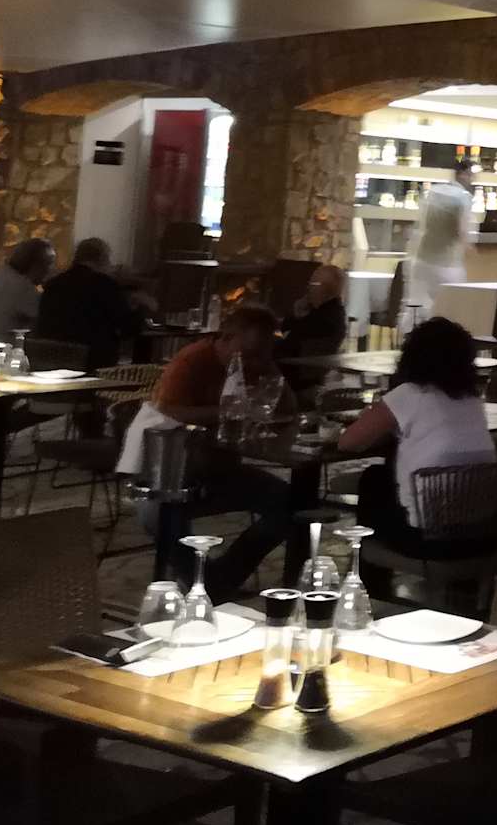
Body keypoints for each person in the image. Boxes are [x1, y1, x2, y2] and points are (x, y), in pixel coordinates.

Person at [116, 304, 298, 601]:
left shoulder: (258, 364)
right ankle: (203, 584)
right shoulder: (192, 360)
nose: (253, 362)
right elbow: (170, 409)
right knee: (158, 514)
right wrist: (230, 412)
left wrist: (270, 370)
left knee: (291, 503)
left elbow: (288, 408)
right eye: (248, 353)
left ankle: (220, 579)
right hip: (169, 468)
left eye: (263, 353)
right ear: (225, 338)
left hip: (219, 468)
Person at [337, 316, 494, 549]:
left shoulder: (409, 394)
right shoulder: (472, 400)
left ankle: (370, 566)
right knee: (383, 479)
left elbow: (348, 443)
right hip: (482, 537)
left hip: (427, 539)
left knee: (374, 479)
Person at [35, 237, 143, 371]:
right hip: (93, 361)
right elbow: (128, 328)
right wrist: (137, 306)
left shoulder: (53, 284)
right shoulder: (104, 284)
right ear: (102, 258)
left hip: (52, 358)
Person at [408, 161, 474, 315]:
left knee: (416, 307)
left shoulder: (434, 191)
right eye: (470, 175)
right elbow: (461, 230)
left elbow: (421, 222)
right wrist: (469, 247)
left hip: (422, 259)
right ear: (462, 174)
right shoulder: (463, 197)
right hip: (447, 264)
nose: (472, 179)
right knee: (453, 309)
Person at [0, 238, 55, 331]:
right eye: (49, 264)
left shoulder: (2, 275)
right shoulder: (22, 288)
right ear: (36, 265)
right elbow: (49, 319)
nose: (51, 270)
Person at [277, 264, 348, 360]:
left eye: (313, 283)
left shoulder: (323, 319)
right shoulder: (324, 312)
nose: (308, 287)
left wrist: (274, 333)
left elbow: (285, 343)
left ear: (326, 288)